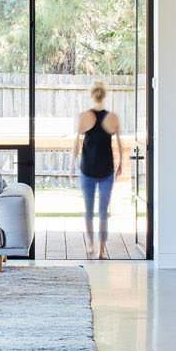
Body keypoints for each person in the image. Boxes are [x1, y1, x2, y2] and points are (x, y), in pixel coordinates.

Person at [71, 83, 123, 259]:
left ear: (92, 95)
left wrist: (72, 165)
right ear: (104, 95)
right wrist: (121, 163)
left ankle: (91, 244)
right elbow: (119, 144)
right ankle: (100, 251)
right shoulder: (113, 117)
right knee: (102, 212)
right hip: (106, 169)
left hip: (87, 169)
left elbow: (76, 143)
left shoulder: (84, 116)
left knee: (89, 210)